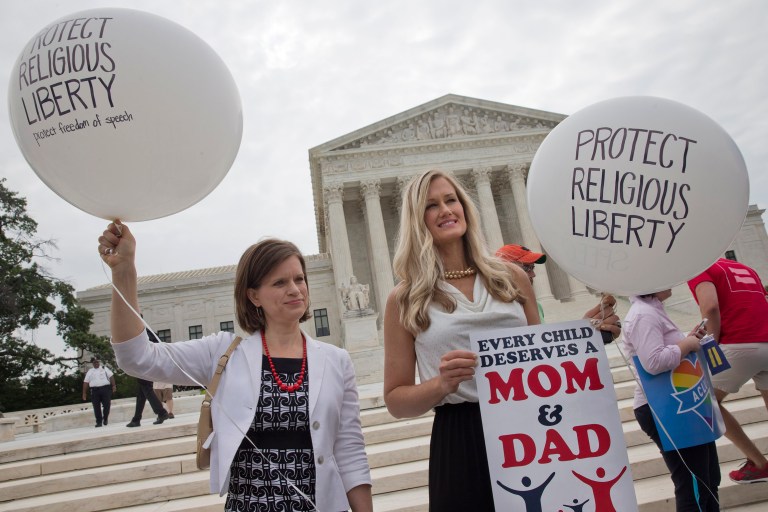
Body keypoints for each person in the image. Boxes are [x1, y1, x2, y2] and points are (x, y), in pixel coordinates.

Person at [383, 169, 620, 511]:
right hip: (462, 434)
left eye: (451, 200)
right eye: (431, 205)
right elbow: (396, 400)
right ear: (417, 220)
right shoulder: (404, 298)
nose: (446, 210)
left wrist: (586, 334)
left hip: (528, 426)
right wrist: (441, 384)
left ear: (465, 207)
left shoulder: (510, 276)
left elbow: (540, 358)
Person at [98, 222, 372, 512]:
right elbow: (136, 357)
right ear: (254, 295)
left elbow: (350, 451)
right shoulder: (224, 353)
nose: (295, 290)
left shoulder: (336, 360)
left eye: (299, 279)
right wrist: (124, 270)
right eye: (279, 283)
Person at [622, 289, 719, 511]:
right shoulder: (643, 314)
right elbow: (654, 362)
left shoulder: (652, 310)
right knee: (694, 486)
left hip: (680, 402)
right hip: (664, 406)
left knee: (709, 480)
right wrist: (688, 345)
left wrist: (688, 339)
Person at [688, 257, 768, 483]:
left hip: (738, 344)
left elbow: (710, 307)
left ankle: (759, 464)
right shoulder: (746, 267)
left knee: (704, 403)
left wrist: (711, 346)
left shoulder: (698, 265)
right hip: (766, 338)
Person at [126, 327, 170, 428]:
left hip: (144, 364)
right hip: (148, 363)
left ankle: (161, 412)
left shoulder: (140, 332)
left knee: (146, 387)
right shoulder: (146, 331)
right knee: (141, 393)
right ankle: (136, 419)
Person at [496, 243, 547, 320]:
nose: (533, 274)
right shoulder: (493, 309)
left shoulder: (537, 306)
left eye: (532, 268)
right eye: (526, 268)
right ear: (504, 270)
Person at [82, 356, 116, 428]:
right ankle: (99, 422)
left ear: (99, 362)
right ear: (92, 363)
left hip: (105, 389)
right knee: (96, 407)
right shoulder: (90, 372)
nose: (96, 363)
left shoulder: (104, 369)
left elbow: (111, 376)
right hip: (94, 391)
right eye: (94, 362)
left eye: (97, 362)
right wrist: (84, 393)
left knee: (107, 405)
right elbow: (86, 382)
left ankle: (105, 418)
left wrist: (113, 386)